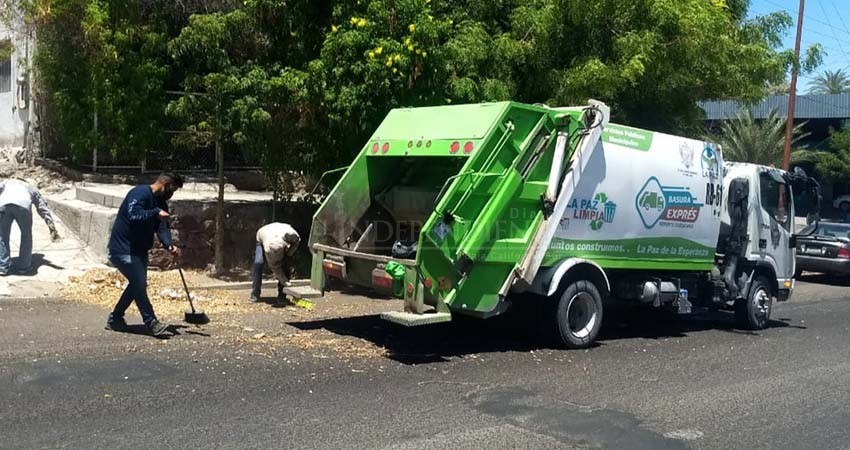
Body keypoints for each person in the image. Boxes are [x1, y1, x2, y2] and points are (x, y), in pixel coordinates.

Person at [105, 173, 183, 336]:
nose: (172, 194)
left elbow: (162, 228)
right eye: (172, 189)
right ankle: (151, 322)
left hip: (139, 251)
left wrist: (169, 245)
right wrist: (155, 212)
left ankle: (115, 319)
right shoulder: (139, 193)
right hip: (123, 250)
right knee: (139, 284)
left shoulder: (161, 204)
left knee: (137, 285)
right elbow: (134, 215)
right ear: (165, 184)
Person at [0, 178, 61, 276]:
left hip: (3, 205)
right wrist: (51, 226)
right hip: (23, 206)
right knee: (26, 236)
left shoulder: (7, 182)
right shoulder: (31, 187)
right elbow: (42, 208)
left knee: (2, 236)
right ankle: (24, 267)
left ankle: (3, 267)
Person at [251, 222, 300, 303]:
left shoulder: (291, 235)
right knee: (258, 264)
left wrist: (289, 253)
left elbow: (297, 241)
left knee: (286, 264)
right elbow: (276, 268)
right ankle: (255, 294)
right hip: (262, 235)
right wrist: (286, 282)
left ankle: (282, 296)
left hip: (280, 229)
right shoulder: (268, 249)